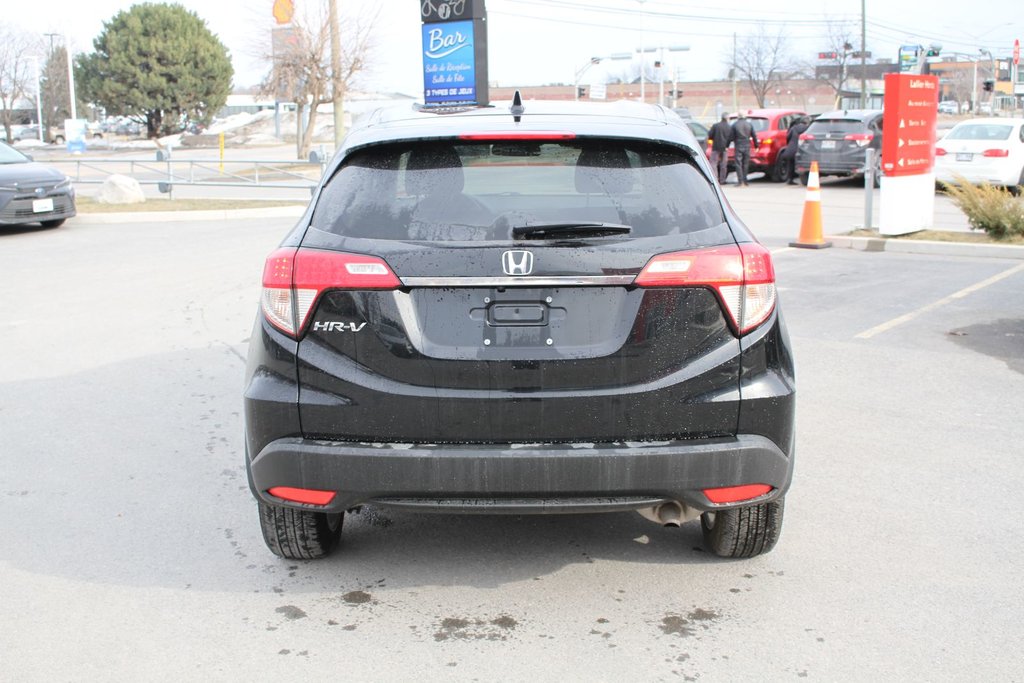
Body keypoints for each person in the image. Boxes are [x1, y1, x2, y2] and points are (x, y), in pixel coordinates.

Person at [730, 111, 759, 186]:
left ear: (738, 116)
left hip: (738, 145)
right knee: (746, 163)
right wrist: (756, 146)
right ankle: (745, 181)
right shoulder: (749, 124)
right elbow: (754, 136)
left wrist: (727, 145)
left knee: (738, 163)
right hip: (747, 145)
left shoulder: (735, 125)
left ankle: (740, 181)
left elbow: (731, 137)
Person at [780, 116, 810, 185]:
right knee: (801, 165)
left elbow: (787, 137)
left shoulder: (793, 128)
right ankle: (804, 179)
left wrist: (789, 145)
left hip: (790, 150)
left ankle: (789, 179)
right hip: (800, 150)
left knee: (790, 164)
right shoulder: (807, 129)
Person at [707, 114, 732, 184]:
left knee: (713, 163)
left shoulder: (716, 126)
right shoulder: (729, 127)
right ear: (727, 119)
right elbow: (731, 138)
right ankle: (722, 180)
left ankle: (715, 179)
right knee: (723, 164)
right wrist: (727, 146)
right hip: (725, 148)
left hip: (716, 147)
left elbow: (710, 135)